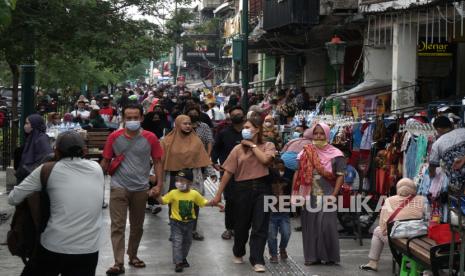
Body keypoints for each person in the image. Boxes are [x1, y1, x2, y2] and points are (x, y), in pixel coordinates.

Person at [9, 131, 104, 276]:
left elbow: (13, 198)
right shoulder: (97, 169)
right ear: (84, 151)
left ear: (56, 151)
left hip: (54, 245)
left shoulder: (47, 170)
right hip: (89, 248)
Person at [101, 104, 164, 276]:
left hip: (141, 188)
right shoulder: (114, 137)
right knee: (117, 226)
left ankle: (133, 255)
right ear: (122, 118)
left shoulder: (150, 138)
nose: (132, 121)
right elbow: (105, 162)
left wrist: (159, 185)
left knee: (137, 226)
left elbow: (158, 162)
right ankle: (118, 262)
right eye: (128, 118)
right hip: (118, 187)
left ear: (142, 118)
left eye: (135, 117)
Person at [212, 117, 276, 273]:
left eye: (248, 127)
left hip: (263, 188)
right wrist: (218, 194)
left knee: (260, 226)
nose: (245, 130)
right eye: (244, 127)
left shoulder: (268, 145)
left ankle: (257, 260)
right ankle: (238, 251)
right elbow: (228, 173)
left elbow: (266, 161)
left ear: (258, 129)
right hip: (241, 189)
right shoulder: (237, 150)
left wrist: (253, 146)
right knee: (241, 225)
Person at [150, 169, 223, 273]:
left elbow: (203, 202)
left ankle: (183, 258)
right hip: (176, 223)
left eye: (182, 180)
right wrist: (157, 196)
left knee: (187, 242)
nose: (179, 183)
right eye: (178, 180)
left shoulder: (194, 194)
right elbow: (163, 201)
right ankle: (178, 262)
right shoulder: (173, 193)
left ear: (190, 182)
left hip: (189, 224)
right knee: (177, 242)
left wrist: (215, 203)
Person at [293, 123, 346, 266]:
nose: (318, 136)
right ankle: (312, 257)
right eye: (315, 133)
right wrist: (296, 193)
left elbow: (340, 176)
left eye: (321, 134)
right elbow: (298, 173)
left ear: (327, 135)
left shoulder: (336, 154)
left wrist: (334, 194)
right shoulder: (305, 152)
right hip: (308, 193)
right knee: (310, 225)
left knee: (326, 224)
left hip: (328, 192)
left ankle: (329, 257)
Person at [161, 115, 212, 241]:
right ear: (177, 124)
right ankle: (175, 231)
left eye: (189, 124)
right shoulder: (166, 141)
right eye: (185, 123)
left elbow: (204, 158)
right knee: (173, 203)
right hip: (174, 176)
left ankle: (192, 230)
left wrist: (211, 173)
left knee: (194, 202)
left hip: (193, 176)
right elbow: (160, 160)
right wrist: (154, 176)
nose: (188, 126)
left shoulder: (197, 140)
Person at [359, 178, 424, 272]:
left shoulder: (389, 201)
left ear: (398, 188)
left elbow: (383, 226)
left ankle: (373, 263)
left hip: (398, 239)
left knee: (377, 230)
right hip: (417, 238)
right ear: (413, 188)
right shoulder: (421, 200)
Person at [211, 106, 245, 240]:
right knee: (230, 200)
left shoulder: (249, 133)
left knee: (243, 201)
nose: (237, 116)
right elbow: (216, 149)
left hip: (246, 173)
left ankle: (240, 228)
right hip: (228, 172)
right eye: (234, 114)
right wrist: (214, 161)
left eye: (239, 114)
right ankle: (229, 228)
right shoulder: (224, 133)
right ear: (230, 118)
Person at [429, 116, 465, 192]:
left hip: (458, 182)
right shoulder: (463, 131)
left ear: (438, 129)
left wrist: (431, 175)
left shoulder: (437, 144)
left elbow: (432, 165)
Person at [15, 114, 53, 183]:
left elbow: (48, 155)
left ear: (34, 125)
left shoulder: (41, 138)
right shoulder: (32, 136)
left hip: (33, 178)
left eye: (27, 123)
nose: (25, 126)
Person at [267, 158, 291, 263]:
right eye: (277, 168)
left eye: (282, 169)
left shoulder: (287, 182)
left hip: (284, 212)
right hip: (270, 213)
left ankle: (282, 248)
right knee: (271, 235)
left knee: (286, 233)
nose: (279, 171)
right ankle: (273, 254)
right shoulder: (267, 183)